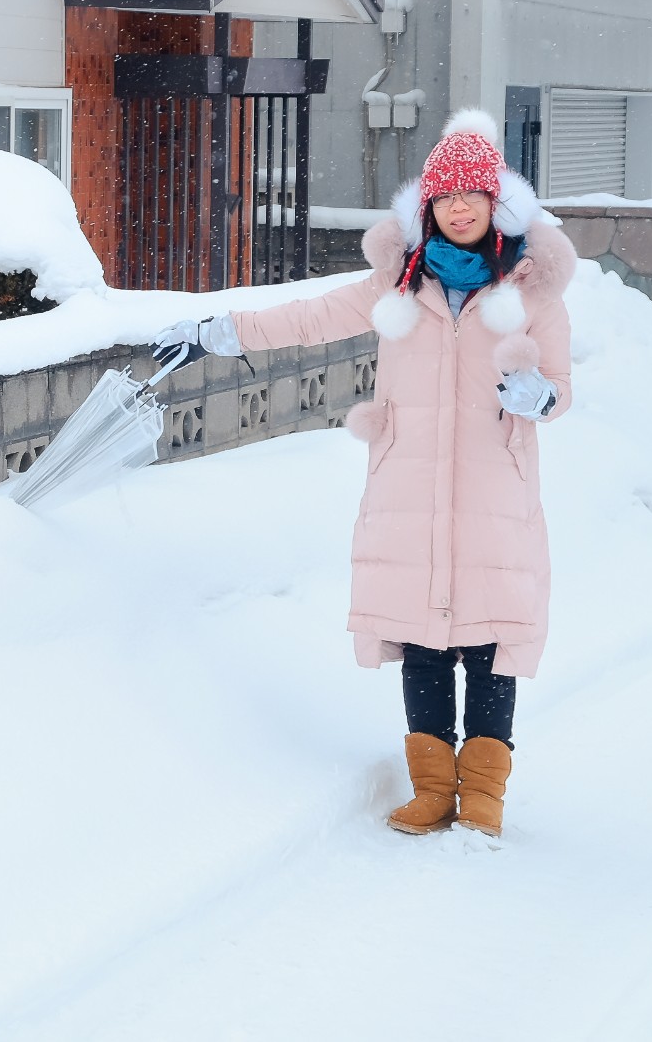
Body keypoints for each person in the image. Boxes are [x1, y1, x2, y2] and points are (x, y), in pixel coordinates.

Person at [153, 110, 576, 837]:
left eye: (473, 195)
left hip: (492, 493)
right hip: (407, 488)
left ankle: (483, 793)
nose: (460, 207)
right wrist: (218, 331)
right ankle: (432, 787)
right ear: (428, 208)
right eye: (446, 197)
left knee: (488, 639)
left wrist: (540, 396)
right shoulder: (398, 285)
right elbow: (311, 316)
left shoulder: (533, 292)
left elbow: (561, 386)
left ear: (497, 205)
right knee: (420, 637)